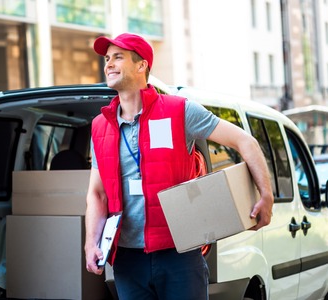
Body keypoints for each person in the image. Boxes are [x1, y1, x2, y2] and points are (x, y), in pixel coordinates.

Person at [84, 33, 273, 300]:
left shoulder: (179, 111)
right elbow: (97, 193)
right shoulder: (99, 127)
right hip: (127, 260)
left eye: (118, 57)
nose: (108, 64)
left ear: (141, 66)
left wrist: (266, 195)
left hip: (179, 256)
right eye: (106, 59)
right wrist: (91, 242)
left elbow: (246, 142)